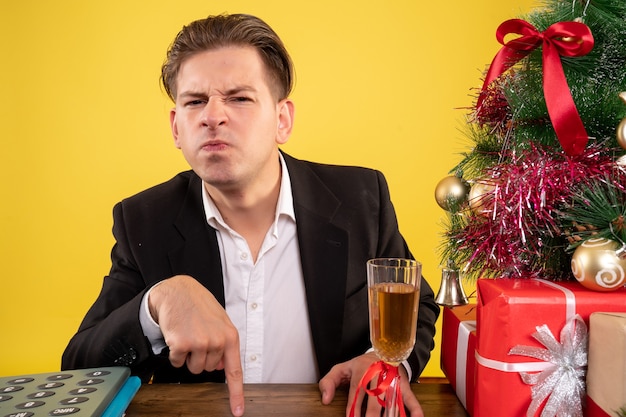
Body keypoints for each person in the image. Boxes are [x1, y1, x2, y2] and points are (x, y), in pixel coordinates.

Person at [61, 13, 440, 417]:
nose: (213, 116)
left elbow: (418, 309)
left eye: (239, 98)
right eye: (194, 102)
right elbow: (81, 371)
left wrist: (384, 363)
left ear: (282, 120)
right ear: (176, 128)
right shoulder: (144, 220)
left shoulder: (361, 200)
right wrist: (154, 306)